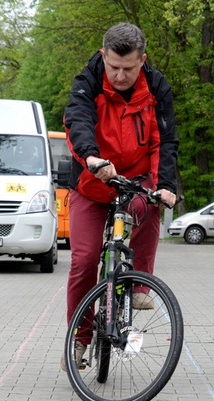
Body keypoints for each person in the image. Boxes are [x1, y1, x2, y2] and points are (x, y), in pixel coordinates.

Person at [61, 22, 178, 369]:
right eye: (114, 67)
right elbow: (78, 121)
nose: (120, 76)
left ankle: (138, 287)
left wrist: (165, 185)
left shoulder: (157, 87)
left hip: (134, 180)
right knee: (83, 260)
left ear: (142, 60)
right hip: (93, 181)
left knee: (149, 205)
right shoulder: (88, 81)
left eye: (128, 68)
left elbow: (165, 141)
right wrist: (91, 157)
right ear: (103, 56)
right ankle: (79, 340)